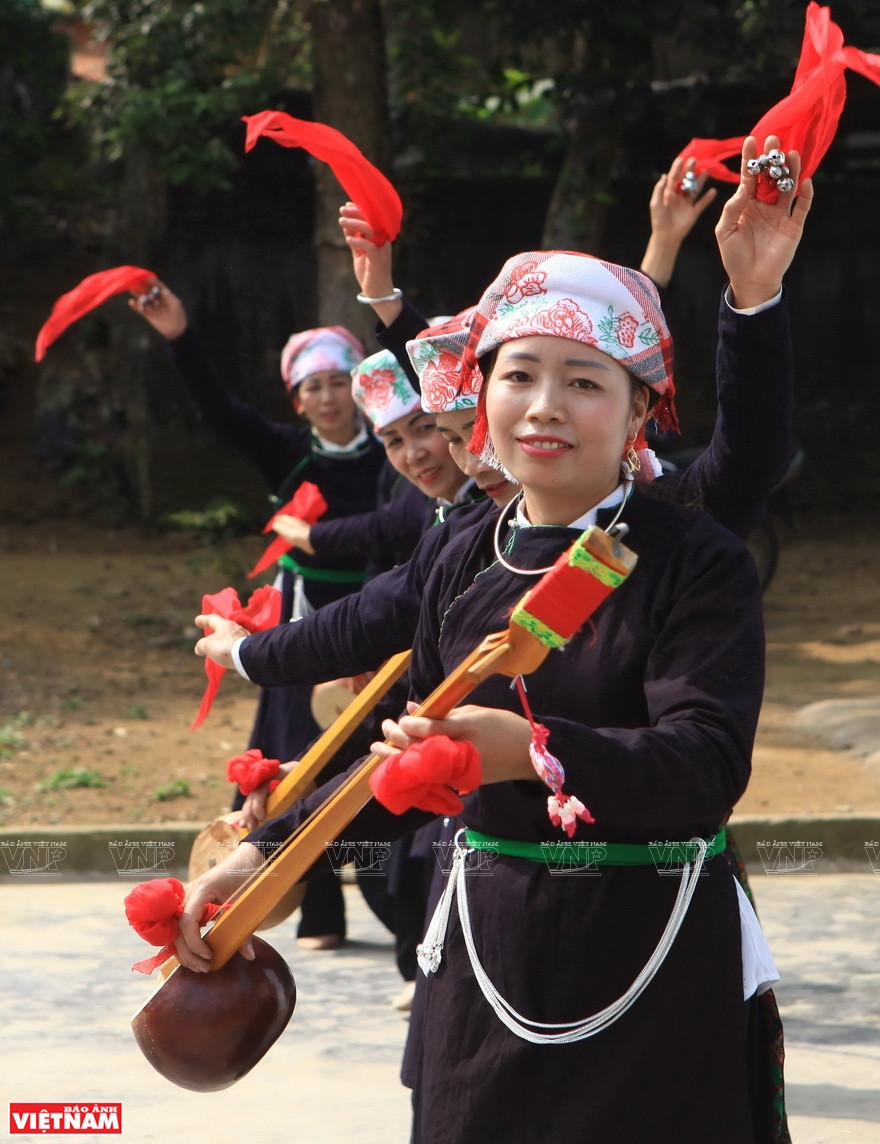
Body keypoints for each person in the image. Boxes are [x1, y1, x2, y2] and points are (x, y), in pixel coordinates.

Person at [175, 135, 811, 1142]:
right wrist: (261, 860)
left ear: (640, 406)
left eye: (585, 381)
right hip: (485, 957)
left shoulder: (691, 558)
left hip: (654, 957)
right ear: (482, 396)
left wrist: (528, 749)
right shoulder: (458, 552)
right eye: (520, 375)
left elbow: (700, 764)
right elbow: (399, 755)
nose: (545, 406)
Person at [129, 289, 386, 950]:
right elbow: (218, 412)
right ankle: (316, 910)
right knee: (292, 763)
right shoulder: (286, 452)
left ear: (359, 391)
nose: (329, 398)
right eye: (314, 388)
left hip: (378, 614)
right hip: (302, 624)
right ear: (296, 400)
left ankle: (394, 898)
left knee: (364, 752)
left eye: (339, 383)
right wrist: (180, 336)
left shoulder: (391, 453)